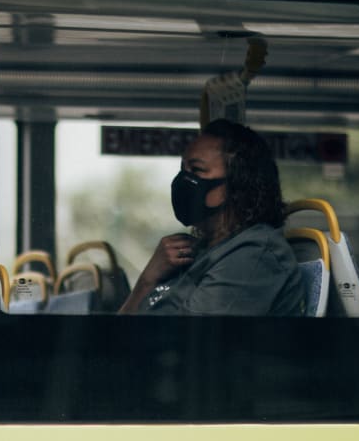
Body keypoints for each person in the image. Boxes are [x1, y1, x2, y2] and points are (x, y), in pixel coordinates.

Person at [119, 119, 304, 315]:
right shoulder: (198, 250)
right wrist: (147, 280)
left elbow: (191, 340)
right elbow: (118, 333)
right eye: (183, 170)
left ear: (237, 182)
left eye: (197, 170)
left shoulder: (252, 254)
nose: (183, 180)